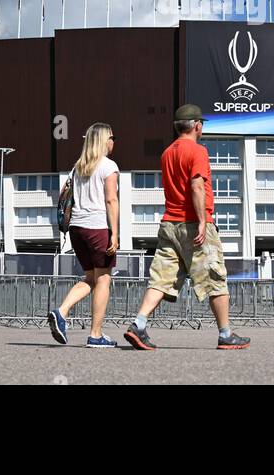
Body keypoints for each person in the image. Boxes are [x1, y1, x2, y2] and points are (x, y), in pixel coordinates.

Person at [124, 104, 250, 351]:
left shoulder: (166, 153)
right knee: (215, 277)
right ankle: (225, 334)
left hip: (169, 224)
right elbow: (196, 186)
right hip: (193, 224)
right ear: (197, 125)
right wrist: (203, 220)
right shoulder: (198, 151)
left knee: (161, 278)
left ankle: (138, 324)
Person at [48, 122, 120, 348]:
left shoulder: (78, 167)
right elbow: (111, 200)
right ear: (103, 141)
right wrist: (115, 233)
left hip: (76, 229)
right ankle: (95, 335)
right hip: (97, 227)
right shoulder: (108, 166)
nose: (113, 141)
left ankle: (61, 311)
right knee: (103, 279)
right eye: (111, 137)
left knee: (90, 278)